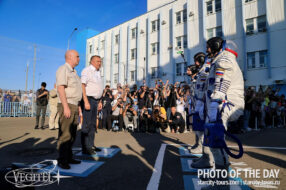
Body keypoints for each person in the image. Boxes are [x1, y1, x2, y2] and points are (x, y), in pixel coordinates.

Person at [201, 37, 245, 190]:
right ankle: (220, 179)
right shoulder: (221, 58)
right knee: (213, 138)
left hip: (224, 102)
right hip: (220, 103)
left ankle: (222, 183)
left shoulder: (225, 58)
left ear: (215, 46)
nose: (207, 50)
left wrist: (216, 101)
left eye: (208, 47)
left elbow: (222, 80)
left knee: (216, 139)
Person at [56, 50, 82, 169]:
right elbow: (61, 88)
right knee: (65, 134)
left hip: (75, 105)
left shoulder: (74, 72)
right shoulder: (63, 69)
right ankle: (62, 160)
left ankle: (69, 157)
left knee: (72, 134)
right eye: (77, 56)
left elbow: (77, 91)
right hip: (67, 104)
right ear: (70, 57)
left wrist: (79, 107)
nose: (79, 58)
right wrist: (65, 106)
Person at [81, 55, 103, 155]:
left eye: (100, 61)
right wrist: (85, 101)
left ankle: (91, 145)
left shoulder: (98, 72)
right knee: (87, 124)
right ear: (92, 62)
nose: (100, 63)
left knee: (93, 125)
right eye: (98, 61)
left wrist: (100, 101)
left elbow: (98, 88)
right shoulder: (87, 71)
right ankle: (86, 147)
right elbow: (83, 86)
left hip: (96, 101)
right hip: (89, 99)